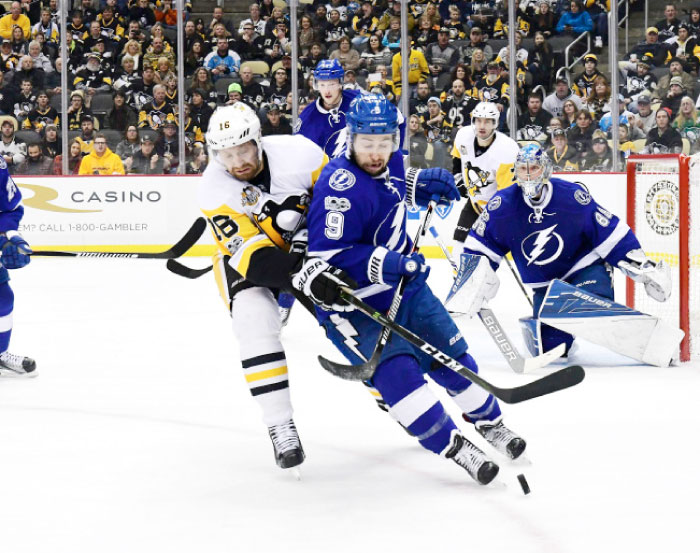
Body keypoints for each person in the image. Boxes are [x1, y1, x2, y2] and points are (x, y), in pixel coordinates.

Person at [294, 94, 526, 485]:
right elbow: (327, 257)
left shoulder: (394, 162)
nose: (376, 152)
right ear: (351, 139)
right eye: (367, 143)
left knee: (453, 357)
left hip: (407, 288)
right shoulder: (340, 186)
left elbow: (390, 188)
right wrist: (389, 263)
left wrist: (421, 185)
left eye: (384, 142)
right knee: (398, 377)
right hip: (354, 306)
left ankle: (491, 424)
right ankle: (455, 446)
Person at [453, 144, 674, 364]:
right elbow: (481, 245)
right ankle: (546, 331)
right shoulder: (503, 205)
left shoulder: (571, 197)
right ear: (516, 171)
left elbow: (608, 231)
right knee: (551, 347)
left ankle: (608, 305)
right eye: (523, 169)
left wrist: (642, 267)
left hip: (583, 271)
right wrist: (472, 281)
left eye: (534, 168)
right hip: (546, 289)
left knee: (587, 303)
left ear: (546, 169)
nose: (529, 175)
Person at [199, 102, 328, 470]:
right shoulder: (213, 187)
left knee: (349, 312)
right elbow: (255, 260)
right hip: (252, 259)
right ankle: (279, 423)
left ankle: (385, 384)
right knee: (254, 318)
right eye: (225, 153)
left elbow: (336, 203)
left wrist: (312, 246)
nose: (236, 161)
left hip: (309, 247)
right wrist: (301, 273)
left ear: (259, 141)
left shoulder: (300, 153)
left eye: (243, 149)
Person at [450, 101, 519, 256]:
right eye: (478, 120)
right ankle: (462, 279)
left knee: (487, 254)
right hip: (474, 204)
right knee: (458, 249)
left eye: (487, 121)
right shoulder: (463, 136)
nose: (482, 125)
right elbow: (457, 159)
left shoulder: (506, 149)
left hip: (500, 209)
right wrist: (459, 180)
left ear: (495, 124)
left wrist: (491, 215)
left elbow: (507, 194)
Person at [294, 59, 361, 158]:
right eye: (322, 85)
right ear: (316, 85)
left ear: (340, 83)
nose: (327, 91)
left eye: (332, 84)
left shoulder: (359, 101)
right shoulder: (307, 117)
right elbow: (299, 155)